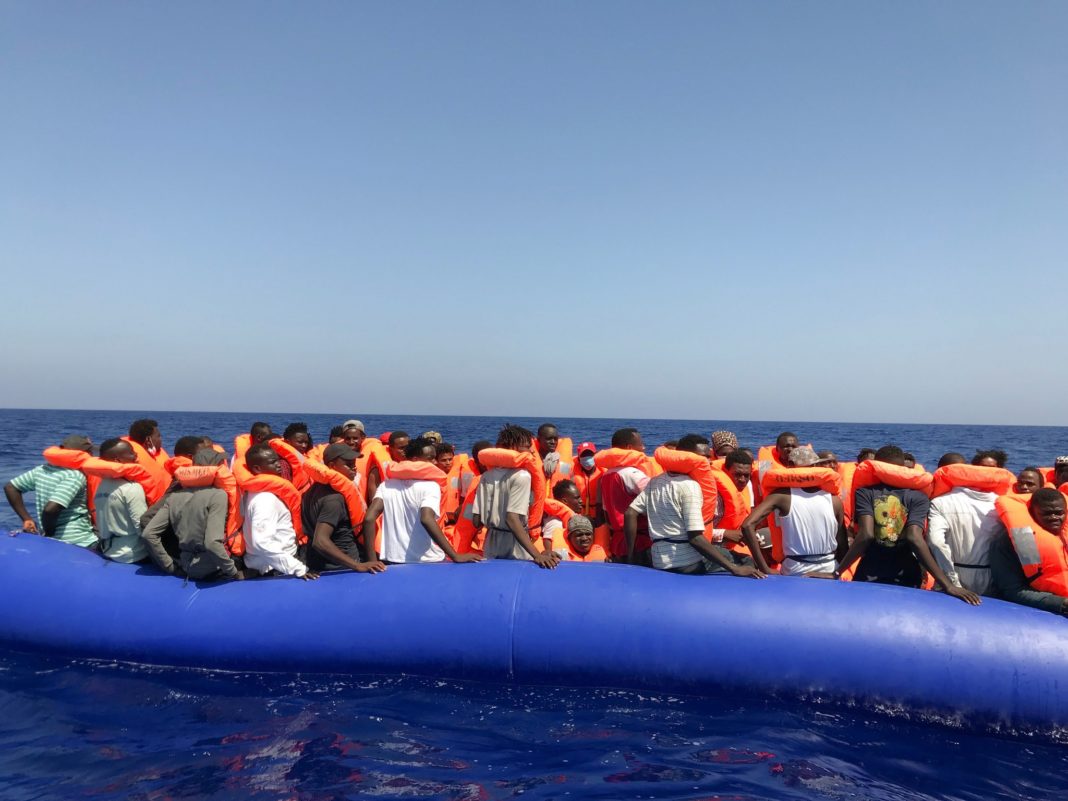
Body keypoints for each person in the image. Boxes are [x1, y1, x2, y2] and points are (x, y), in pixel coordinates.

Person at [836, 445, 980, 604]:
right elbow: (914, 538)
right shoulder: (918, 496)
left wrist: (837, 572)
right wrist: (948, 585)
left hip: (870, 568)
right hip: (906, 572)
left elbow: (866, 535)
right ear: (902, 468)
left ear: (876, 466)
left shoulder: (865, 493)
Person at [625, 434, 764, 578]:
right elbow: (695, 538)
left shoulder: (656, 481)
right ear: (685, 457)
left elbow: (630, 513)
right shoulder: (690, 486)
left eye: (708, 457)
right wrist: (734, 568)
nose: (707, 463)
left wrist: (630, 556)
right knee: (746, 560)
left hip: (659, 560)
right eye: (702, 458)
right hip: (687, 563)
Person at [363, 437, 481, 564]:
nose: (435, 462)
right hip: (428, 559)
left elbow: (369, 519)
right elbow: (426, 519)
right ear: (415, 460)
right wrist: (455, 556)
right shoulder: (431, 486)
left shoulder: (386, 485)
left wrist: (371, 561)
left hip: (393, 559)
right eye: (430, 458)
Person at [740, 446, 845, 576]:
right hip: (829, 568)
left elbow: (747, 525)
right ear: (816, 467)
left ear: (789, 466)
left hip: (795, 570)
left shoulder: (781, 496)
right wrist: (836, 573)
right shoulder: (834, 499)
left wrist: (765, 569)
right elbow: (843, 546)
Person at [141, 449, 242, 580]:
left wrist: (169, 566)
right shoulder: (218, 495)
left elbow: (148, 534)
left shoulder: (175, 496)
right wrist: (233, 572)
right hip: (212, 568)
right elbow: (212, 543)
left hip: (185, 564)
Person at [472, 424, 558, 568]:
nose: (532, 450)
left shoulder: (486, 476)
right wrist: (537, 555)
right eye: (527, 446)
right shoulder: (522, 476)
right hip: (515, 544)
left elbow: (476, 521)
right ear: (512, 449)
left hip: (491, 543)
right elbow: (512, 519)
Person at [303, 443, 385, 574]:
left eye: (354, 463)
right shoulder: (334, 499)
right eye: (348, 464)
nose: (354, 468)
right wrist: (357, 565)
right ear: (331, 466)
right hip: (340, 569)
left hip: (317, 563)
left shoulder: (312, 490)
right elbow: (320, 541)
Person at [5, 434, 96, 548]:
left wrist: (27, 519)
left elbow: (10, 487)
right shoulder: (74, 476)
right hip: (78, 540)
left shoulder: (43, 469)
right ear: (84, 454)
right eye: (91, 452)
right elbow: (50, 509)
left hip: (53, 540)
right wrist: (49, 533)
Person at [242, 444, 317, 579]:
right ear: (257, 468)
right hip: (277, 569)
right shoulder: (265, 499)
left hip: (273, 564)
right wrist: (298, 568)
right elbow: (262, 542)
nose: (279, 465)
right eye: (273, 462)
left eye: (278, 460)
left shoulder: (251, 492)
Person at [990, 488, 1068, 615]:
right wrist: (1060, 603)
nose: (1054, 518)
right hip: (1045, 611)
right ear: (1032, 512)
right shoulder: (1011, 541)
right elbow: (1012, 590)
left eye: (1059, 513)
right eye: (1046, 514)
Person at [599, 427, 652, 564]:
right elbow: (656, 500)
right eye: (640, 444)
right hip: (639, 544)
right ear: (630, 448)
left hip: (618, 544)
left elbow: (606, 513)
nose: (644, 448)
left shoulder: (606, 476)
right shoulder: (632, 474)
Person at [92, 439, 150, 564]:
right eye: (131, 453)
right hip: (133, 555)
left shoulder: (103, 483)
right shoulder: (132, 488)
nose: (136, 455)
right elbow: (142, 528)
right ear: (118, 461)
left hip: (108, 550)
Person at [366, 430, 410, 500]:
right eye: (401, 448)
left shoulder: (414, 462)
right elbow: (373, 499)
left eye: (408, 447)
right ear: (391, 448)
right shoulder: (376, 470)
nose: (406, 450)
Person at [542, 480, 583, 553]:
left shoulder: (572, 518)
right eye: (577, 498)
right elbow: (548, 550)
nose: (581, 501)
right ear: (564, 501)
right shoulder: (555, 522)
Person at [536, 423, 573, 494]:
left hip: (556, 503)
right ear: (538, 439)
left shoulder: (564, 462)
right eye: (549, 439)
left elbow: (570, 480)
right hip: (537, 504)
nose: (553, 442)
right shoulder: (531, 460)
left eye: (555, 439)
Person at [571, 442, 602, 521]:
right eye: (584, 456)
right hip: (578, 515)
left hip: (599, 515)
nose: (587, 458)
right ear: (578, 458)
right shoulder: (572, 471)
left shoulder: (603, 472)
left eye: (590, 455)